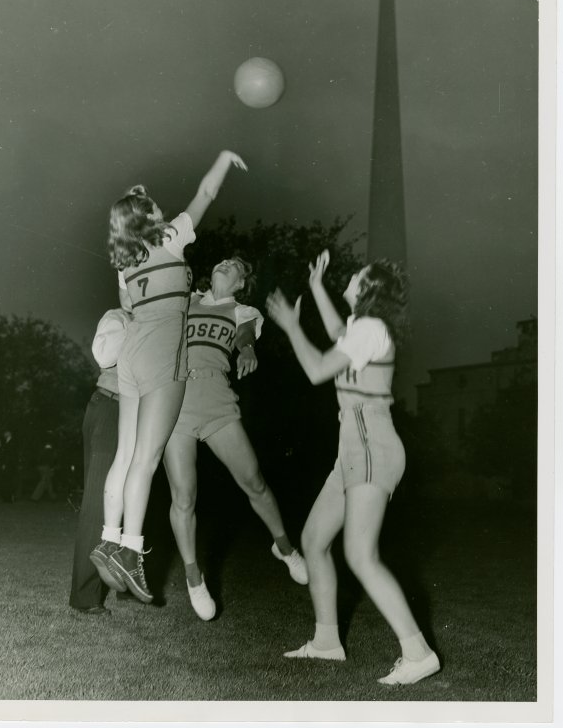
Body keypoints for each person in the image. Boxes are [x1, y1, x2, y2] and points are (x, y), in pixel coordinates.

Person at [266, 251, 440, 686]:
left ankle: (418, 653)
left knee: (360, 554)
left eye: (358, 276)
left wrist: (290, 326)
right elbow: (337, 333)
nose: (353, 276)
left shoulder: (370, 328)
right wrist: (318, 286)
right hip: (357, 444)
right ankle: (327, 643)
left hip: (369, 442)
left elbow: (318, 369)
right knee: (313, 540)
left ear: (368, 291)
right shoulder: (363, 330)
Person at [90, 150, 247, 604]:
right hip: (161, 356)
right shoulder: (170, 238)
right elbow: (207, 192)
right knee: (147, 459)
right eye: (154, 205)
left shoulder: (124, 263)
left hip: (130, 357)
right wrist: (221, 159)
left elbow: (127, 307)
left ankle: (109, 535)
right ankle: (130, 550)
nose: (162, 207)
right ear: (149, 218)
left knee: (125, 456)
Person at [162, 257, 308, 621]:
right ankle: (194, 579)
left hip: (217, 402)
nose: (225, 264)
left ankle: (285, 548)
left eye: (235, 266)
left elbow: (243, 336)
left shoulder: (243, 310)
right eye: (223, 261)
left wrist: (247, 349)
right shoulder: (187, 300)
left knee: (254, 481)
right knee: (183, 497)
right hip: (176, 403)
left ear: (242, 282)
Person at [69, 307, 132, 615]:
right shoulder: (118, 316)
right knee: (99, 502)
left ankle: (122, 580)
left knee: (131, 498)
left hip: (136, 413)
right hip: (111, 407)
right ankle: (86, 597)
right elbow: (105, 357)